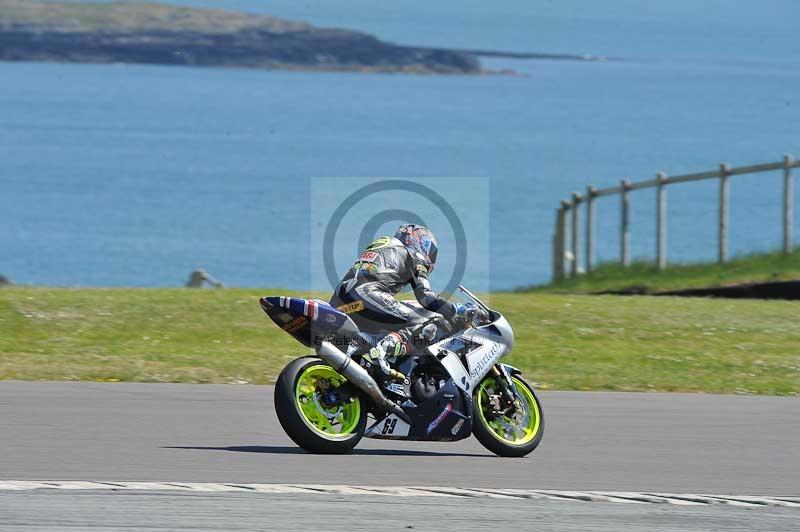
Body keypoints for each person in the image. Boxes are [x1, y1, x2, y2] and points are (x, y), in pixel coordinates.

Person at [329, 224, 484, 379]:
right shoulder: (414, 255)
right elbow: (426, 297)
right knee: (427, 318)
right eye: (431, 251)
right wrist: (457, 310)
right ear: (421, 243)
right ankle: (387, 348)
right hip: (367, 296)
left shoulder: (383, 245)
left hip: (341, 304)